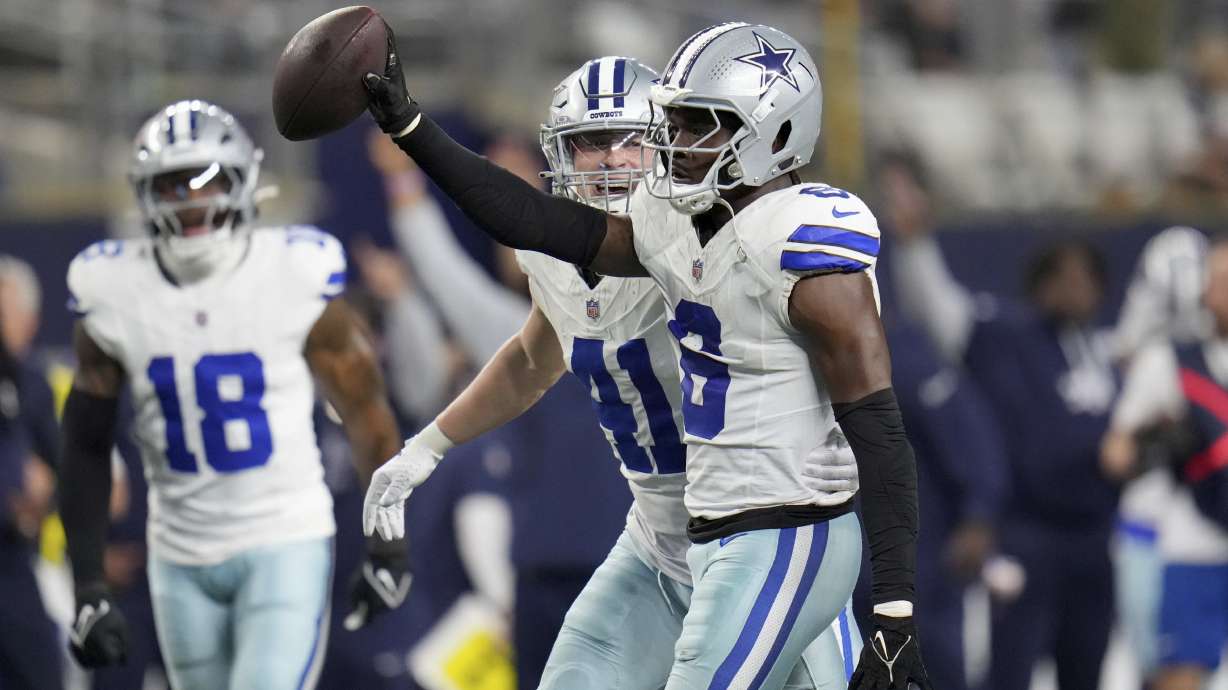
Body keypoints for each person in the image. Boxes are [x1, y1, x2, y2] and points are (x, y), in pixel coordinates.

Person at [363, 23, 930, 689]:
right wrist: (426, 446)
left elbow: (878, 425)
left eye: (633, 139)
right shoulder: (640, 237)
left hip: (777, 532)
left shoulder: (780, 237)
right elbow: (531, 327)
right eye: (590, 143)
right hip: (663, 540)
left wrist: (895, 609)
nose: (620, 158)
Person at [58, 100, 408, 690]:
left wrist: (388, 549)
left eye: (206, 180)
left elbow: (366, 413)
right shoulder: (113, 291)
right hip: (178, 554)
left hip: (283, 538)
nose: (193, 200)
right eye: (172, 186)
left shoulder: (293, 272)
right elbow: (85, 445)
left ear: (243, 182)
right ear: (144, 195)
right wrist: (89, 585)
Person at [885, 156, 1118, 689]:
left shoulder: (1104, 352)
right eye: (1065, 275)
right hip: (1025, 534)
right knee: (1009, 671)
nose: (1078, 287)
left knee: (1087, 668)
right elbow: (937, 309)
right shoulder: (1004, 335)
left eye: (1088, 276)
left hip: (1093, 539)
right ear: (1040, 282)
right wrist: (917, 242)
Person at [1101, 233, 1228, 690]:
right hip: (1189, 542)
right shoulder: (1172, 362)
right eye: (1217, 280)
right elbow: (1115, 454)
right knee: (1175, 672)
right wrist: (1157, 442)